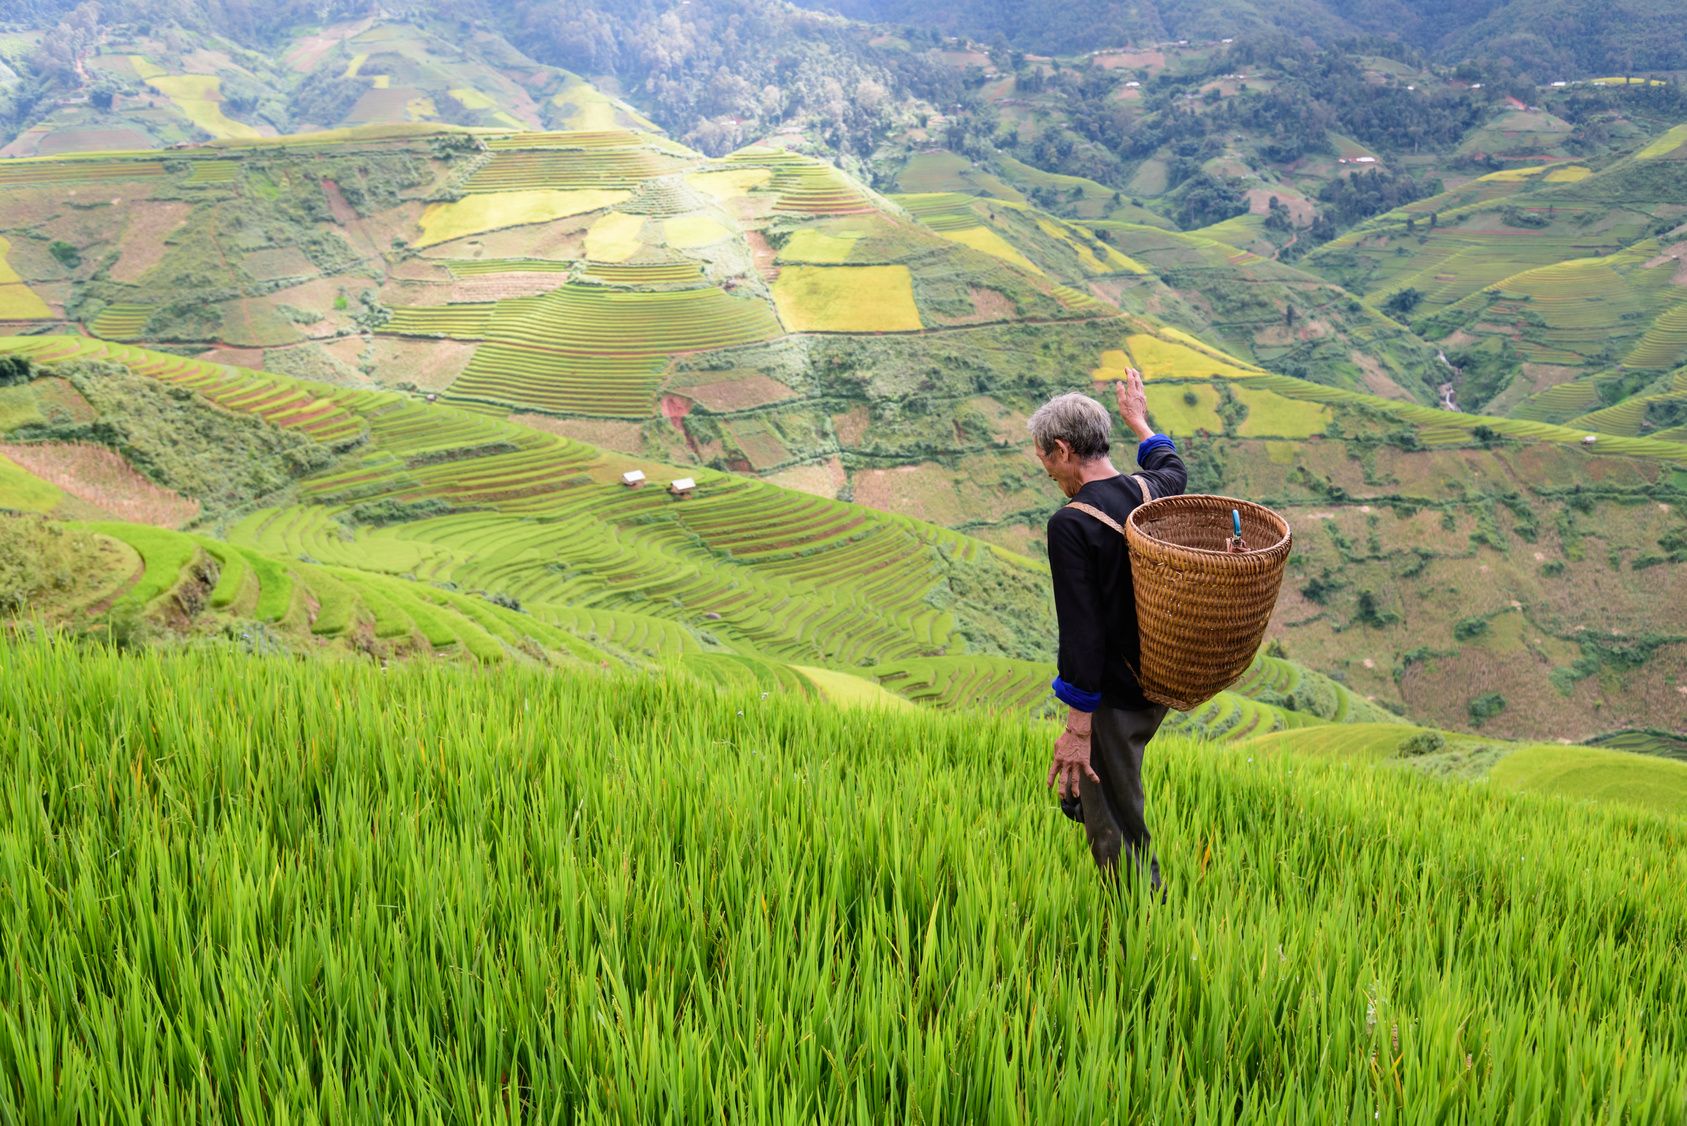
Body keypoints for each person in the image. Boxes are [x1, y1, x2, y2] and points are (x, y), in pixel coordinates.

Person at [1029, 369, 1187, 894]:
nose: (1052, 477)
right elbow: (1172, 466)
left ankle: (1140, 921)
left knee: (1115, 828)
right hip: (1158, 683)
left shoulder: (1070, 524)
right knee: (1103, 799)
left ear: (1062, 449)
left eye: (1048, 465)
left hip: (1116, 696)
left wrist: (1079, 729)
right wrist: (1140, 422)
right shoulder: (1150, 490)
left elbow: (1083, 635)